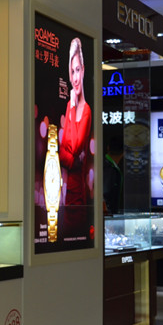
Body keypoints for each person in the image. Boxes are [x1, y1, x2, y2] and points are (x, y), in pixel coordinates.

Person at [58, 37, 92, 214]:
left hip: (79, 193)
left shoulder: (86, 110)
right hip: (65, 192)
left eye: (77, 70)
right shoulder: (69, 106)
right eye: (72, 71)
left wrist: (73, 106)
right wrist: (72, 161)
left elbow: (76, 146)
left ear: (83, 70)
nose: (75, 78)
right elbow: (61, 151)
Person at [102, 136, 123, 214]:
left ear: (108, 148)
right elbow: (105, 193)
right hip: (109, 215)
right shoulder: (110, 168)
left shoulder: (104, 164)